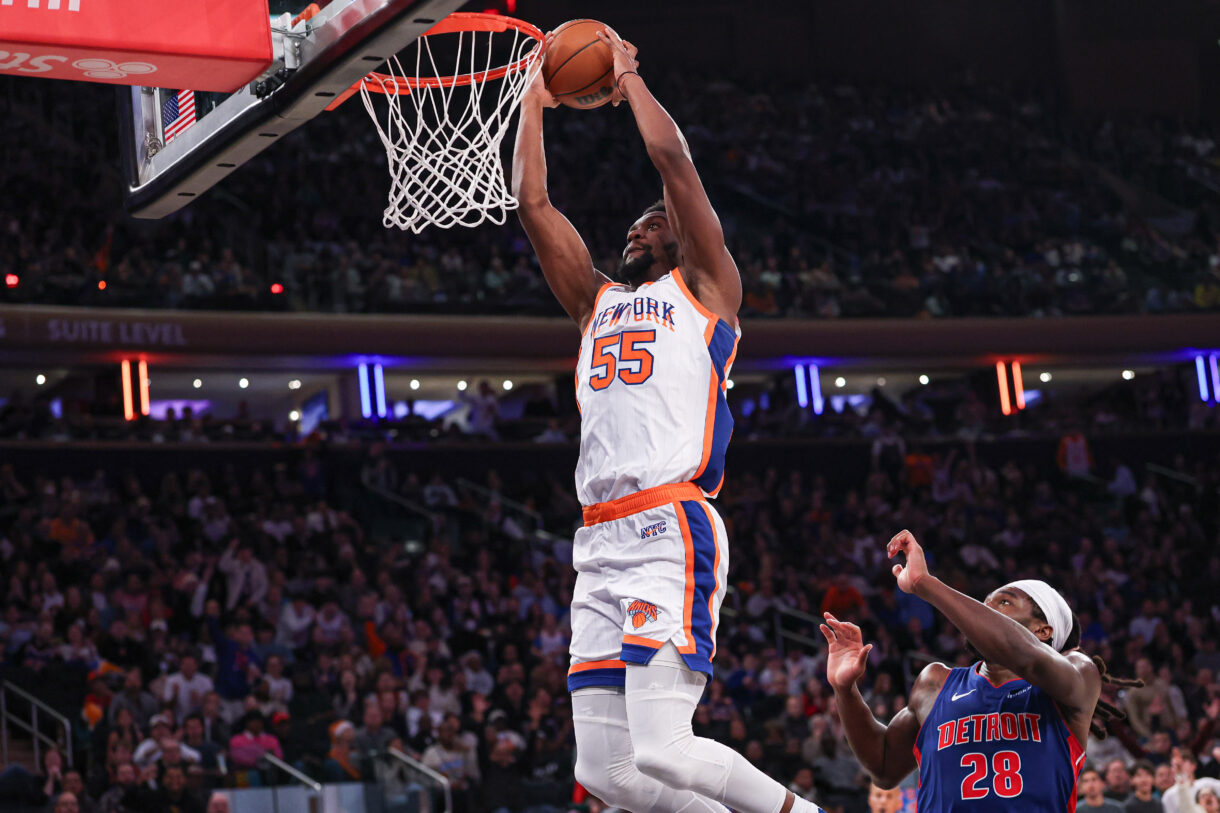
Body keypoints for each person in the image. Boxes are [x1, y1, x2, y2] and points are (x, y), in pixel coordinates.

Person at [512, 26, 818, 813]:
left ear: (685, 237)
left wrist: (625, 79)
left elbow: (673, 164)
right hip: (598, 535)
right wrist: (534, 106)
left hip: (667, 523)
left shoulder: (709, 290)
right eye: (634, 226)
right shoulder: (594, 302)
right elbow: (533, 202)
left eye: (653, 223)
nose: (636, 229)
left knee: (662, 747)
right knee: (608, 772)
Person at [823, 529, 1139, 811]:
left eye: (1003, 604)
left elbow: (1027, 657)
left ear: (1044, 630)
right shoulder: (935, 682)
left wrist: (925, 584)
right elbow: (883, 766)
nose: (983, 612)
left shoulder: (1078, 673)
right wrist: (845, 691)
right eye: (983, 604)